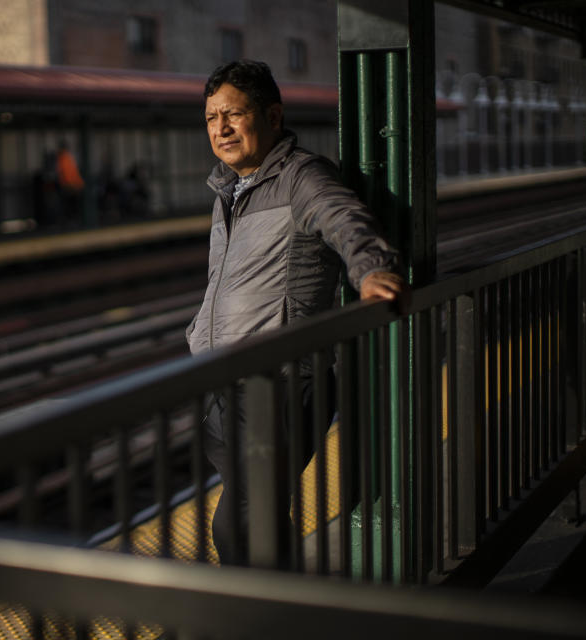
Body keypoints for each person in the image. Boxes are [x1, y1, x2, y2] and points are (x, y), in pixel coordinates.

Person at [185, 60, 408, 566]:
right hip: (226, 383)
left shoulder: (301, 176)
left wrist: (373, 269)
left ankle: (268, 616)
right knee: (258, 518)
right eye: (211, 117)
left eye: (234, 115)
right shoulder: (228, 189)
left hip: (281, 384)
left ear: (273, 115)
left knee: (238, 522)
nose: (220, 128)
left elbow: (343, 218)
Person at [56, 140, 85, 226]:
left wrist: (79, 183)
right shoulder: (64, 158)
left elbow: (71, 173)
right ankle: (71, 222)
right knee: (70, 206)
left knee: (71, 206)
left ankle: (72, 221)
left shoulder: (65, 158)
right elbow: (67, 174)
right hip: (69, 186)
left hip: (70, 186)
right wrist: (75, 184)